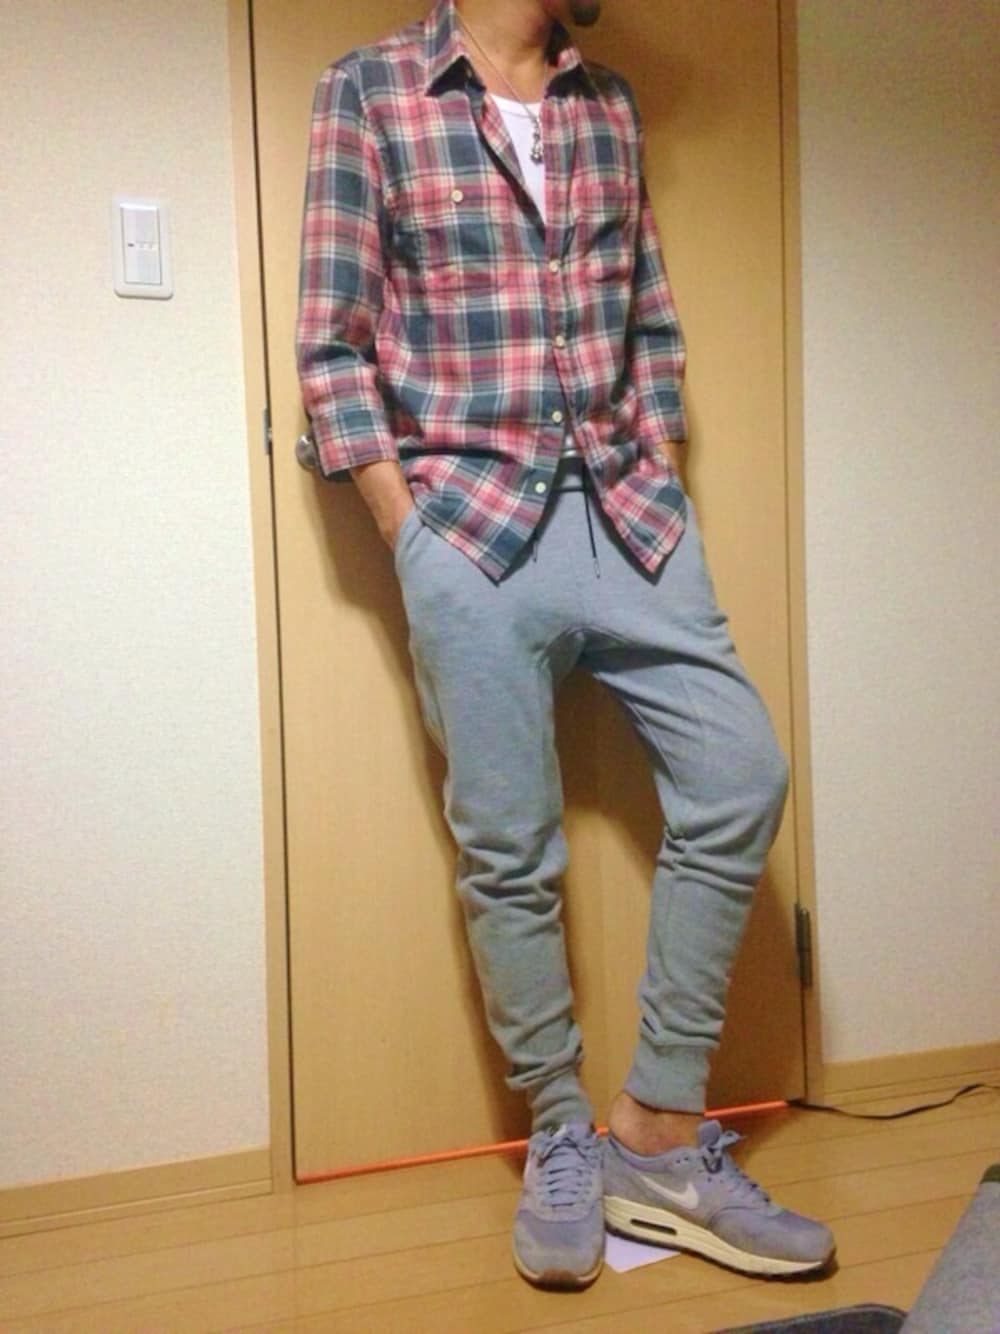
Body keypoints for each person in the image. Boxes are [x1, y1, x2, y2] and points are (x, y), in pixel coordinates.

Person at [296, 0, 835, 1291]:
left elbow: (650, 313)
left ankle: (655, 1130)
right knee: (508, 846)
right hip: (469, 525)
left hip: (631, 515)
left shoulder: (609, 106)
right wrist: (409, 531)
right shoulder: (368, 90)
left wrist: (662, 455)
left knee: (741, 774)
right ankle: (557, 1133)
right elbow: (331, 341)